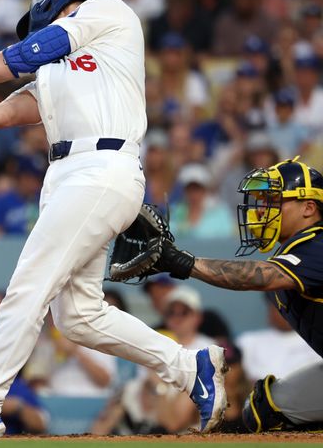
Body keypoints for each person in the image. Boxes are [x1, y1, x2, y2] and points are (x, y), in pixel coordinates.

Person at [0, 0, 227, 437]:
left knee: (28, 287)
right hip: (68, 176)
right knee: (79, 318)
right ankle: (190, 368)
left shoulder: (108, 14)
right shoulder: (55, 74)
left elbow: (31, 51)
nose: (33, 34)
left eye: (38, 24)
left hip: (102, 167)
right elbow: (3, 113)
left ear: (57, 6)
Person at [138, 158, 323, 432]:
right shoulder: (300, 248)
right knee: (264, 409)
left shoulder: (317, 244)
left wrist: (184, 262)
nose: (262, 210)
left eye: (273, 200)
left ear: (309, 207)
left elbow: (256, 276)